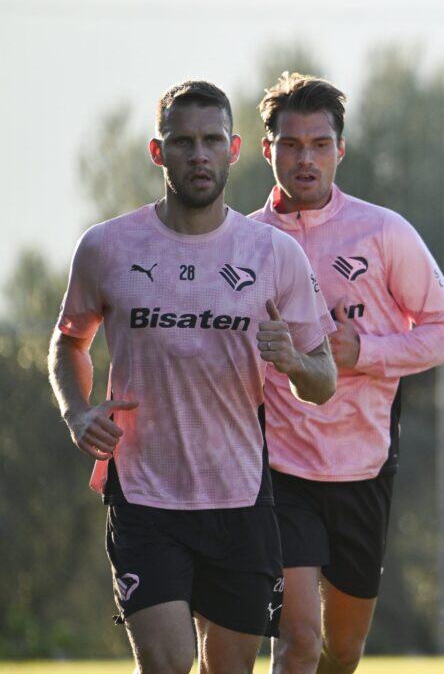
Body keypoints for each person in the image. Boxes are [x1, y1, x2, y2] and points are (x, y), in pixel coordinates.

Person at [48, 80, 338, 674]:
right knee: (168, 662)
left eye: (211, 141)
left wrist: (293, 362)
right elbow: (68, 342)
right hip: (145, 495)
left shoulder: (274, 254)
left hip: (239, 498)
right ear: (159, 153)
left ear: (234, 150)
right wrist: (76, 411)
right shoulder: (106, 246)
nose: (198, 155)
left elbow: (323, 380)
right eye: (183, 143)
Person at [250, 73, 444, 674]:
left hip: (363, 467)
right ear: (268, 149)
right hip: (277, 469)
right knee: (295, 642)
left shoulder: (384, 232)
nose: (305, 159)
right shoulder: (245, 242)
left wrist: (363, 351)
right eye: (291, 145)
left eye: (320, 145)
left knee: (340, 653)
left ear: (341, 150)